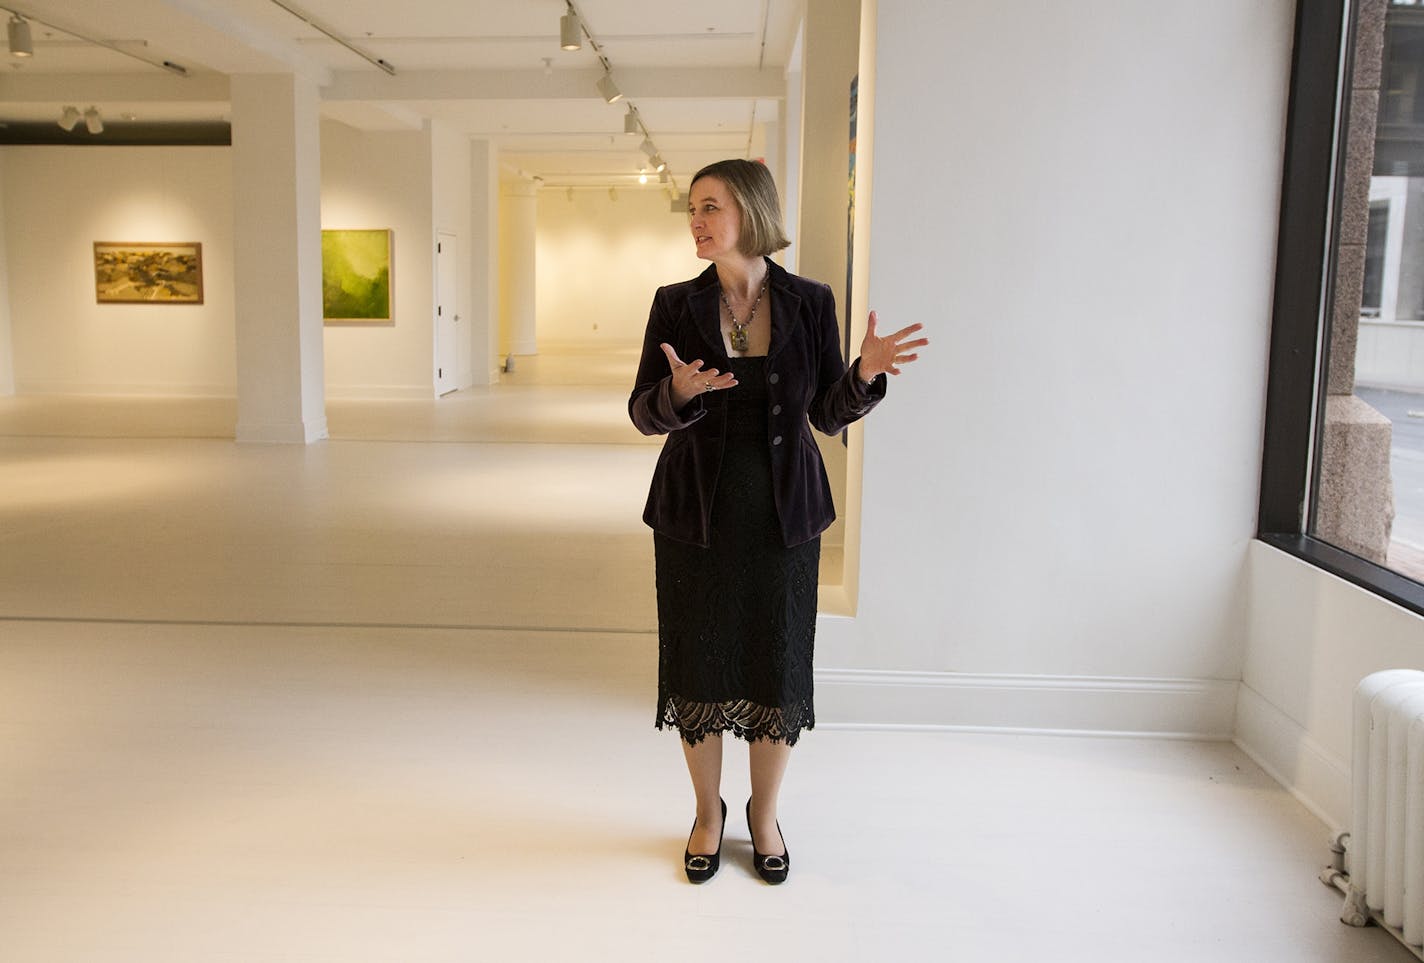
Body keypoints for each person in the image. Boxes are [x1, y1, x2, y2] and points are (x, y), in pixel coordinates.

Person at [628, 159, 926, 884]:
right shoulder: (674, 303)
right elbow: (643, 412)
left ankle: (764, 813)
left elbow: (826, 411)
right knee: (698, 665)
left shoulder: (808, 302)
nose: (696, 221)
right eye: (692, 209)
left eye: (709, 207)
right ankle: (707, 813)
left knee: (775, 666)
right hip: (694, 516)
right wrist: (676, 390)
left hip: (783, 519)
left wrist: (862, 376)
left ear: (750, 212)